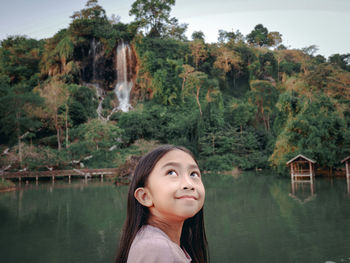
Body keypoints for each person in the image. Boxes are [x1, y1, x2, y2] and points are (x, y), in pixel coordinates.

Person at [115, 145, 208, 263]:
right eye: (171, 172)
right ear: (145, 196)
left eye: (193, 174)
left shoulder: (156, 242)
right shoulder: (157, 249)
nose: (189, 184)